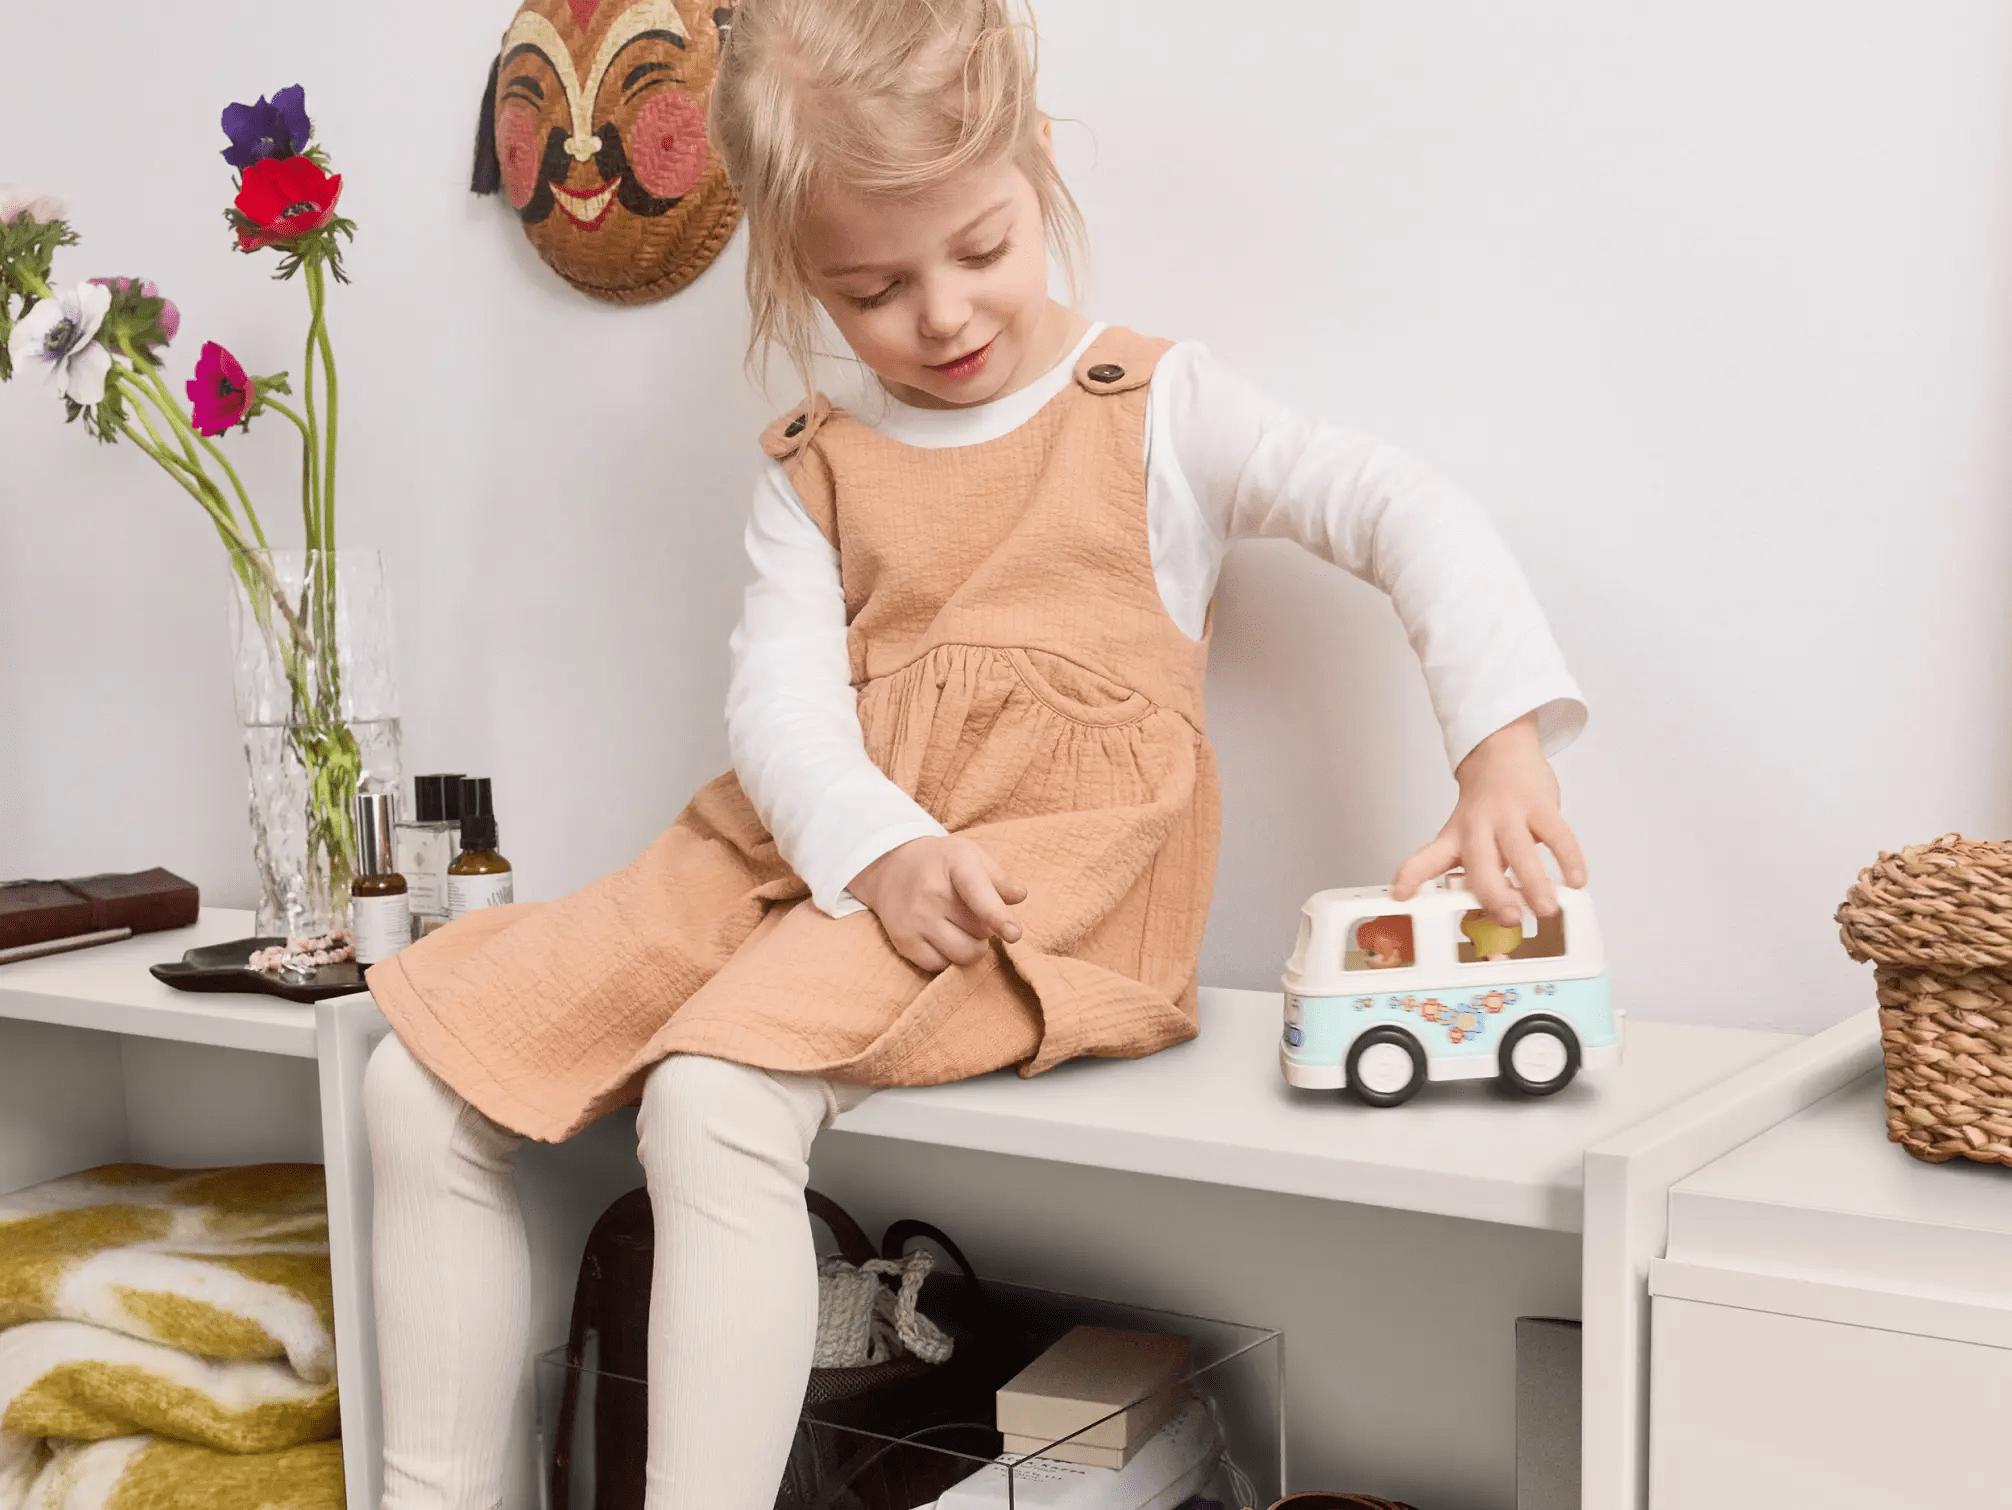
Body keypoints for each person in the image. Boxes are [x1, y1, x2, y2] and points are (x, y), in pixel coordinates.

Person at [361, 1, 1589, 1505]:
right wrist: (875, 844)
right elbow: (783, 709)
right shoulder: (816, 460)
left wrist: (1498, 747)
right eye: (872, 288)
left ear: (1039, 169)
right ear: (795, 271)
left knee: (710, 1101)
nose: (941, 316)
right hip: (812, 847)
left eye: (982, 249)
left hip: (1033, 877)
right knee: (414, 1076)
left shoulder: (1153, 409)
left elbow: (1402, 508)